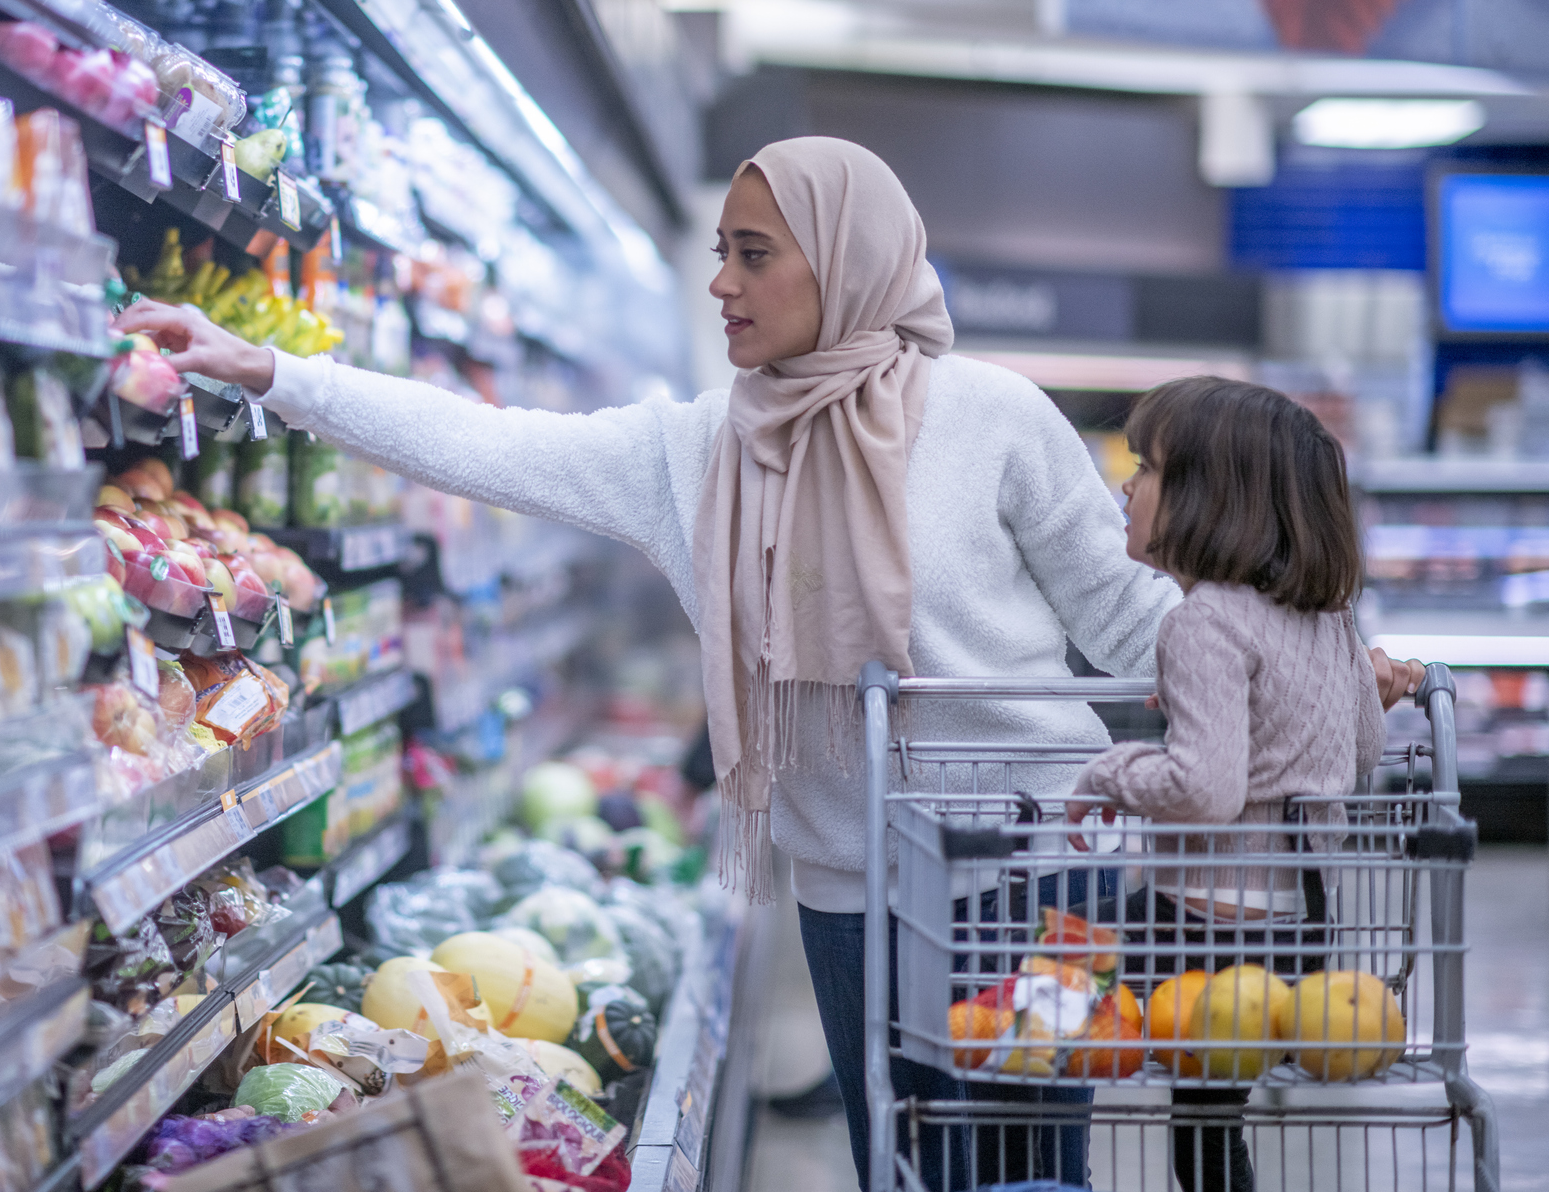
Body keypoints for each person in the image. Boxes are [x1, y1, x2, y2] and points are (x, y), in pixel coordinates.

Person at [121, 138, 1422, 1190]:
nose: (722, 283)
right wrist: (278, 374)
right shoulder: (693, 449)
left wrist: (1321, 671)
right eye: (720, 254)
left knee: (1025, 1156)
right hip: (850, 876)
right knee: (895, 1157)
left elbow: (1133, 613)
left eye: (755, 253)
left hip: (1035, 856)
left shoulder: (993, 417)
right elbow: (487, 441)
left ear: (842, 261)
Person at [1065, 378, 1391, 1192]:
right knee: (1208, 1124)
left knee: (1034, 973)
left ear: (1213, 500)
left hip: (1200, 930)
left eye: (1147, 468)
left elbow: (1205, 789)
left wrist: (1106, 772)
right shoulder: (1327, 617)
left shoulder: (1202, 620)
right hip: (1297, 931)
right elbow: (1360, 748)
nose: (1127, 486)